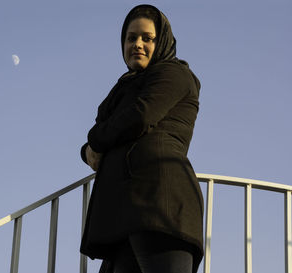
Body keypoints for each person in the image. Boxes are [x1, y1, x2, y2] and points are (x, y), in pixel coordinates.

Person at [80, 4, 204, 273]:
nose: (137, 44)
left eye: (147, 38)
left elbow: (139, 116)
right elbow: (113, 127)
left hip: (160, 208)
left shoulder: (174, 73)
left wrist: (93, 142)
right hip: (124, 215)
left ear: (162, 42)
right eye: (130, 37)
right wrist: (86, 149)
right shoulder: (126, 87)